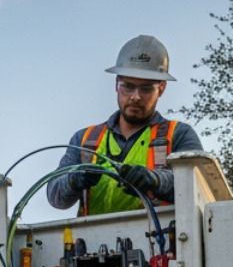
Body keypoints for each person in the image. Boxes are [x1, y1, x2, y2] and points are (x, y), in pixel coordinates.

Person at [46, 35, 202, 215]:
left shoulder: (178, 135)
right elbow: (55, 196)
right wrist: (76, 178)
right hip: (92, 241)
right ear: (116, 84)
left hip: (160, 241)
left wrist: (155, 180)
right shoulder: (85, 139)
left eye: (145, 88)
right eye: (128, 86)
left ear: (161, 88)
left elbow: (197, 188)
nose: (135, 96)